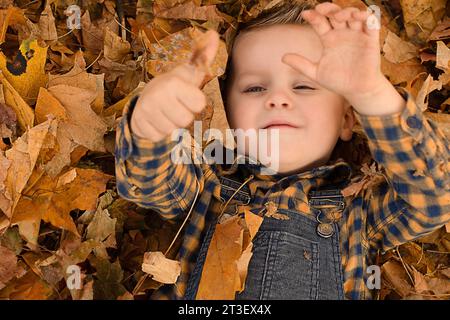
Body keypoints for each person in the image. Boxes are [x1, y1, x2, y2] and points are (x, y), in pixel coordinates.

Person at [114, 0, 449, 299]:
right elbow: (150, 182)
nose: (277, 98)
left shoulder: (360, 216)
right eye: (255, 87)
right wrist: (148, 129)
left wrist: (373, 95)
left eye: (303, 85)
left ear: (347, 119)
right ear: (228, 115)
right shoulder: (208, 189)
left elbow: (435, 195)